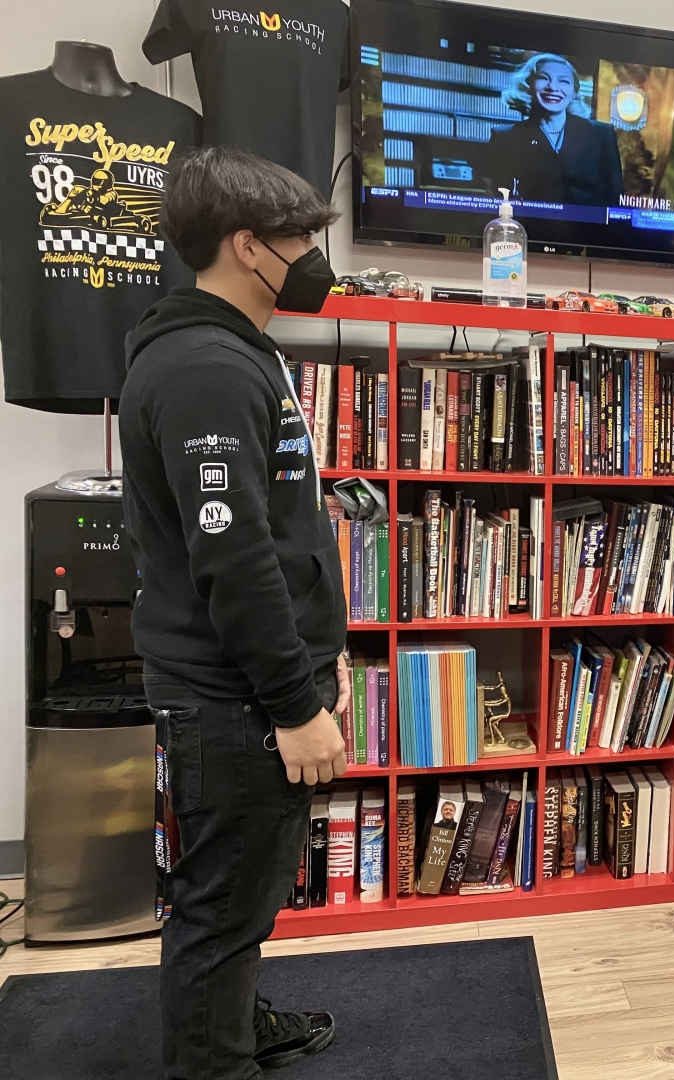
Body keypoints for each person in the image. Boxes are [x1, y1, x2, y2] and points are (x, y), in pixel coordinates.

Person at [121, 145, 351, 1079]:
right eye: (301, 239)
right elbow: (234, 558)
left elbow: (266, 523)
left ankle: (234, 1025)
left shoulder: (235, 353)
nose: (314, 259)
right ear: (248, 246)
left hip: (249, 688)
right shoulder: (206, 368)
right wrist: (295, 705)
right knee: (220, 907)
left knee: (245, 891)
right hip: (235, 699)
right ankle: (212, 1061)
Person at [486, 53, 623, 207]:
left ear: (573, 92)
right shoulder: (505, 137)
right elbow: (498, 198)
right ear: (528, 86)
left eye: (564, 81)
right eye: (543, 78)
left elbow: (615, 199)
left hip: (589, 222)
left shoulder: (601, 134)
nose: (553, 87)